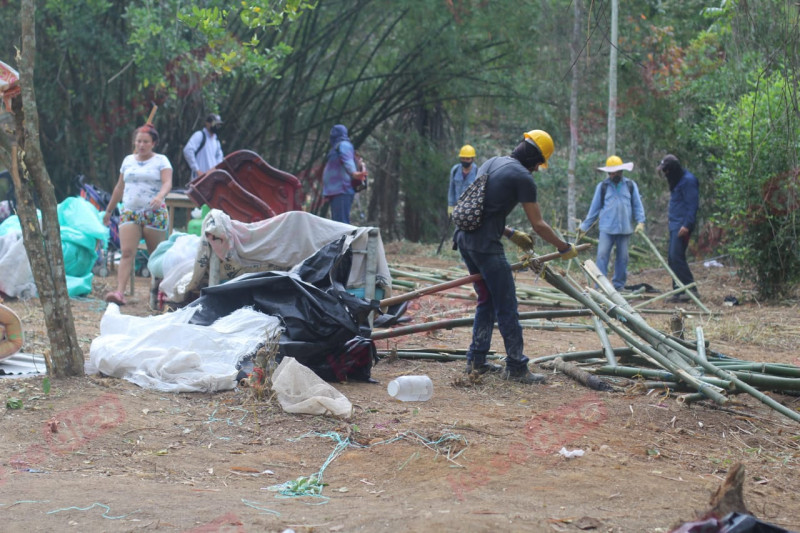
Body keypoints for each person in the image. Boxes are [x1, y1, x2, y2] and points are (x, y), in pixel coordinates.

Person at [453, 129, 578, 384]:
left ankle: (476, 360)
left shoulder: (492, 162)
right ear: (536, 161)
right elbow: (539, 225)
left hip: (465, 240)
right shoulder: (523, 177)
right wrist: (564, 247)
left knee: (486, 299)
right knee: (506, 303)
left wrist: (510, 232)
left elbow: (481, 208)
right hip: (486, 246)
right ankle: (517, 368)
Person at [103, 124, 173, 305]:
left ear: (153, 143)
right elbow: (120, 187)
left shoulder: (161, 161)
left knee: (156, 255)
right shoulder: (128, 161)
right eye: (139, 141)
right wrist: (109, 211)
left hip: (154, 213)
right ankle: (119, 292)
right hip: (130, 212)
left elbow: (167, 183)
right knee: (126, 252)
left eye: (145, 141)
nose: (141, 145)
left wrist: (159, 196)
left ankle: (162, 291)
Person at [577, 155, 646, 290]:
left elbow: (637, 205)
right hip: (607, 229)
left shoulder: (630, 186)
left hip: (625, 229)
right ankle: (601, 286)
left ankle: (619, 285)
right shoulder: (602, 187)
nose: (613, 174)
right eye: (611, 172)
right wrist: (584, 226)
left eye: (616, 172)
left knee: (623, 258)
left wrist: (640, 221)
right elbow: (594, 209)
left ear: (621, 171)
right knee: (602, 256)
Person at [657, 154, 699, 302]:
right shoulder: (678, 181)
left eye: (667, 171)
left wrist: (687, 225)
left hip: (682, 226)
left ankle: (690, 289)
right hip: (675, 224)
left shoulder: (688, 181)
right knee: (672, 258)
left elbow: (692, 205)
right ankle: (679, 290)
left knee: (676, 256)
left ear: (673, 169)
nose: (666, 174)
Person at [322, 124, 367, 224]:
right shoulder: (336, 147)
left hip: (342, 189)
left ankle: (346, 240)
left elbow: (347, 160)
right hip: (336, 190)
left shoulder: (344, 145)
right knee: (337, 223)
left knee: (341, 223)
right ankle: (341, 239)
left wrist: (354, 173)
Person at [183, 113, 224, 181]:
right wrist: (197, 170)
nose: (217, 126)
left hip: (212, 179)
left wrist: (215, 170)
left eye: (218, 124)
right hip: (199, 179)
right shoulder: (200, 135)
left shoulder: (216, 141)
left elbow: (220, 159)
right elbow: (188, 150)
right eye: (215, 124)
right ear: (207, 123)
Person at [447, 144, 478, 216]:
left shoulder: (477, 172)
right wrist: (450, 206)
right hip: (457, 208)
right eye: (463, 158)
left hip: (471, 210)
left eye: (467, 159)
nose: (465, 160)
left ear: (472, 159)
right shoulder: (455, 170)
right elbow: (451, 189)